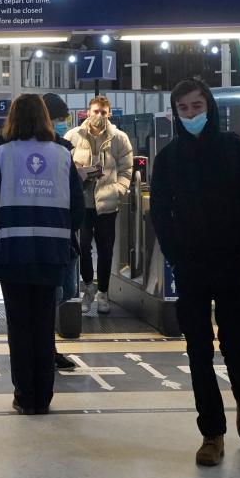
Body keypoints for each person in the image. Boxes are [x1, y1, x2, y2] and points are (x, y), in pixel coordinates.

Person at [150, 79, 240, 467]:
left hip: (232, 264)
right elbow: (160, 214)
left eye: (197, 106)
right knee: (198, 351)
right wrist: (174, 255)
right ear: (174, 113)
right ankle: (211, 434)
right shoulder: (167, 159)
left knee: (236, 345)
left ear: (210, 106)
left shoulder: (234, 149)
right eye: (183, 108)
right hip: (190, 267)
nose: (191, 114)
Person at [0, 94, 84, 415]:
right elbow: (77, 210)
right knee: (44, 326)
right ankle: (43, 397)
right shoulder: (63, 156)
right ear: (46, 118)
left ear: (13, 119)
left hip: (11, 255)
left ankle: (25, 397)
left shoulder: (1, 155)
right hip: (52, 254)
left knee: (20, 328)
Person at [66, 96, 133, 317]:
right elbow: (63, 166)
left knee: (106, 250)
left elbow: (126, 169)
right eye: (96, 111)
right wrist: (78, 176)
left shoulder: (119, 139)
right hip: (82, 203)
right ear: (88, 112)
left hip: (107, 204)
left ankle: (103, 293)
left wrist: (119, 190)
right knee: (83, 247)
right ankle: (88, 287)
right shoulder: (74, 136)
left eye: (103, 112)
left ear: (110, 114)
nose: (99, 116)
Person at [42, 93, 82, 372]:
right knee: (48, 296)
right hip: (54, 234)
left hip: (59, 235)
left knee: (57, 294)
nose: (61, 124)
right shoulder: (57, 151)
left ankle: (44, 348)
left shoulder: (64, 149)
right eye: (57, 119)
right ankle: (44, 350)